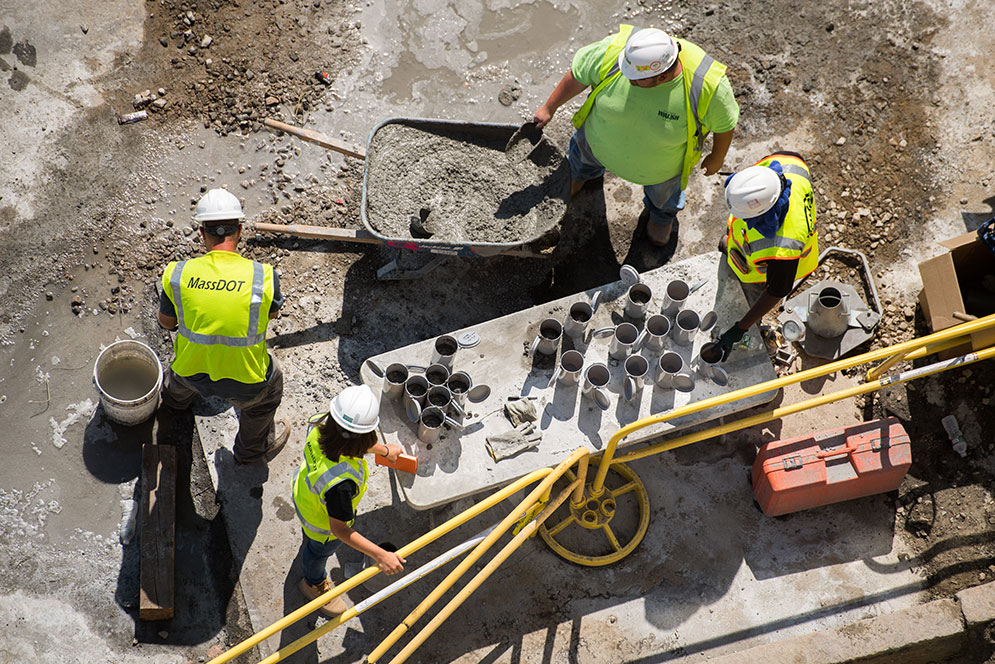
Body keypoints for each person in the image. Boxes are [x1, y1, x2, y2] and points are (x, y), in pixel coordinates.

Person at [534, 25, 739, 247]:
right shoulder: (622, 52)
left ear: (662, 76)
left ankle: (661, 219)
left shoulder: (706, 85)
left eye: (636, 78)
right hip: (595, 141)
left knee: (664, 198)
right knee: (578, 163)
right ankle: (579, 178)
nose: (627, 77)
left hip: (661, 169)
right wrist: (549, 107)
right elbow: (579, 73)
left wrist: (717, 157)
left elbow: (724, 125)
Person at [157, 188, 290, 464]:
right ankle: (249, 453)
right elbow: (272, 315)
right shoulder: (264, 276)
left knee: (177, 376)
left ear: (202, 234)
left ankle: (174, 404)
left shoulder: (177, 273)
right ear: (239, 231)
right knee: (271, 388)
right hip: (247, 383)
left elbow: (166, 323)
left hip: (191, 373)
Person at [293, 385, 406, 616]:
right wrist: (381, 555)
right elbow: (339, 530)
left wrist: (383, 450)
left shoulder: (320, 424)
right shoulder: (341, 486)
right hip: (322, 526)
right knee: (317, 554)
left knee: (313, 544)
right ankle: (313, 584)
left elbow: (347, 439)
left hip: (305, 494)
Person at [715, 152, 819, 360]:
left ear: (762, 214)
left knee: (749, 306)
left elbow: (777, 289)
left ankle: (751, 340)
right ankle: (731, 249)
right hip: (745, 247)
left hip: (760, 275)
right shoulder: (787, 164)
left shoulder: (782, 247)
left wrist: (740, 328)